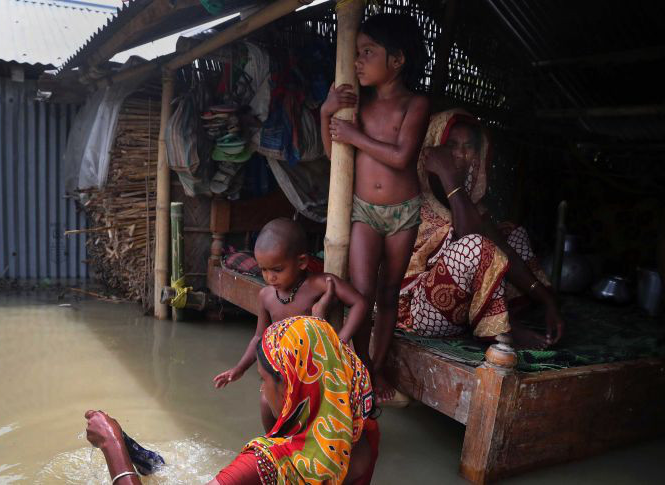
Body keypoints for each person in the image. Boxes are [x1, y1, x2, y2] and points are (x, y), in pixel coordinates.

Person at [85, 316, 380, 485]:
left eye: (263, 381)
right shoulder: (361, 433)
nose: (261, 393)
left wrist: (113, 447)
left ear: (295, 391)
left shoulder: (264, 464)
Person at [320, 13, 431, 401]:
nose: (358, 61)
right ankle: (357, 365)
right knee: (362, 294)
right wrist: (327, 113)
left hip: (404, 212)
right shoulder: (356, 105)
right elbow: (331, 154)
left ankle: (376, 369)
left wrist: (354, 134)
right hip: (364, 210)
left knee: (387, 295)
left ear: (397, 60)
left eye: (368, 52)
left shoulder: (415, 104)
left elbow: (402, 157)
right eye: (357, 52)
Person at [394, 109, 564, 349]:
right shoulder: (412, 194)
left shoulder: (469, 204)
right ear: (434, 148)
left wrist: (547, 301)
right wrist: (447, 176)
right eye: (451, 145)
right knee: (474, 247)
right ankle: (502, 328)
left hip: (460, 306)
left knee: (513, 235)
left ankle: (493, 317)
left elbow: (501, 249)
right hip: (418, 310)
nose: (461, 154)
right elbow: (471, 240)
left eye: (469, 147)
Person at [213, 218, 368, 429]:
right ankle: (275, 447)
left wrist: (340, 341)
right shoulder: (266, 296)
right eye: (264, 270)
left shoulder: (319, 284)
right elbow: (259, 337)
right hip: (283, 371)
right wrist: (239, 368)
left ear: (302, 262)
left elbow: (360, 303)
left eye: (277, 270)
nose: (270, 277)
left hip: (317, 367)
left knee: (316, 418)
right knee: (266, 402)